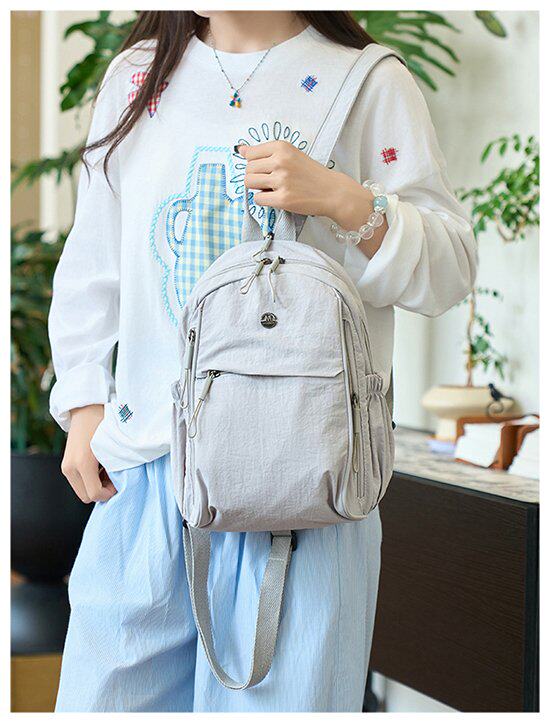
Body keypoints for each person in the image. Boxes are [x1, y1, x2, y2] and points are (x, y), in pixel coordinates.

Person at [49, 10, 476, 712]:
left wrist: (346, 201)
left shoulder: (368, 81)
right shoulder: (136, 77)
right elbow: (93, 258)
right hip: (146, 472)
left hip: (300, 484)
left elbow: (450, 269)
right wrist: (84, 402)